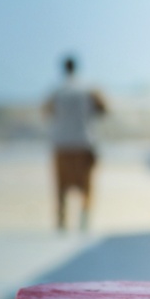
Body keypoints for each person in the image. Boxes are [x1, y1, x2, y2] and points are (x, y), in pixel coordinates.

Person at [44, 56, 107, 230]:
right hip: (84, 143)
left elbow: (46, 111)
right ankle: (84, 217)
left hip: (61, 144)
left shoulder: (57, 91)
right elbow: (104, 109)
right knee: (86, 185)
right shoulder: (88, 89)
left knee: (60, 186)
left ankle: (62, 220)